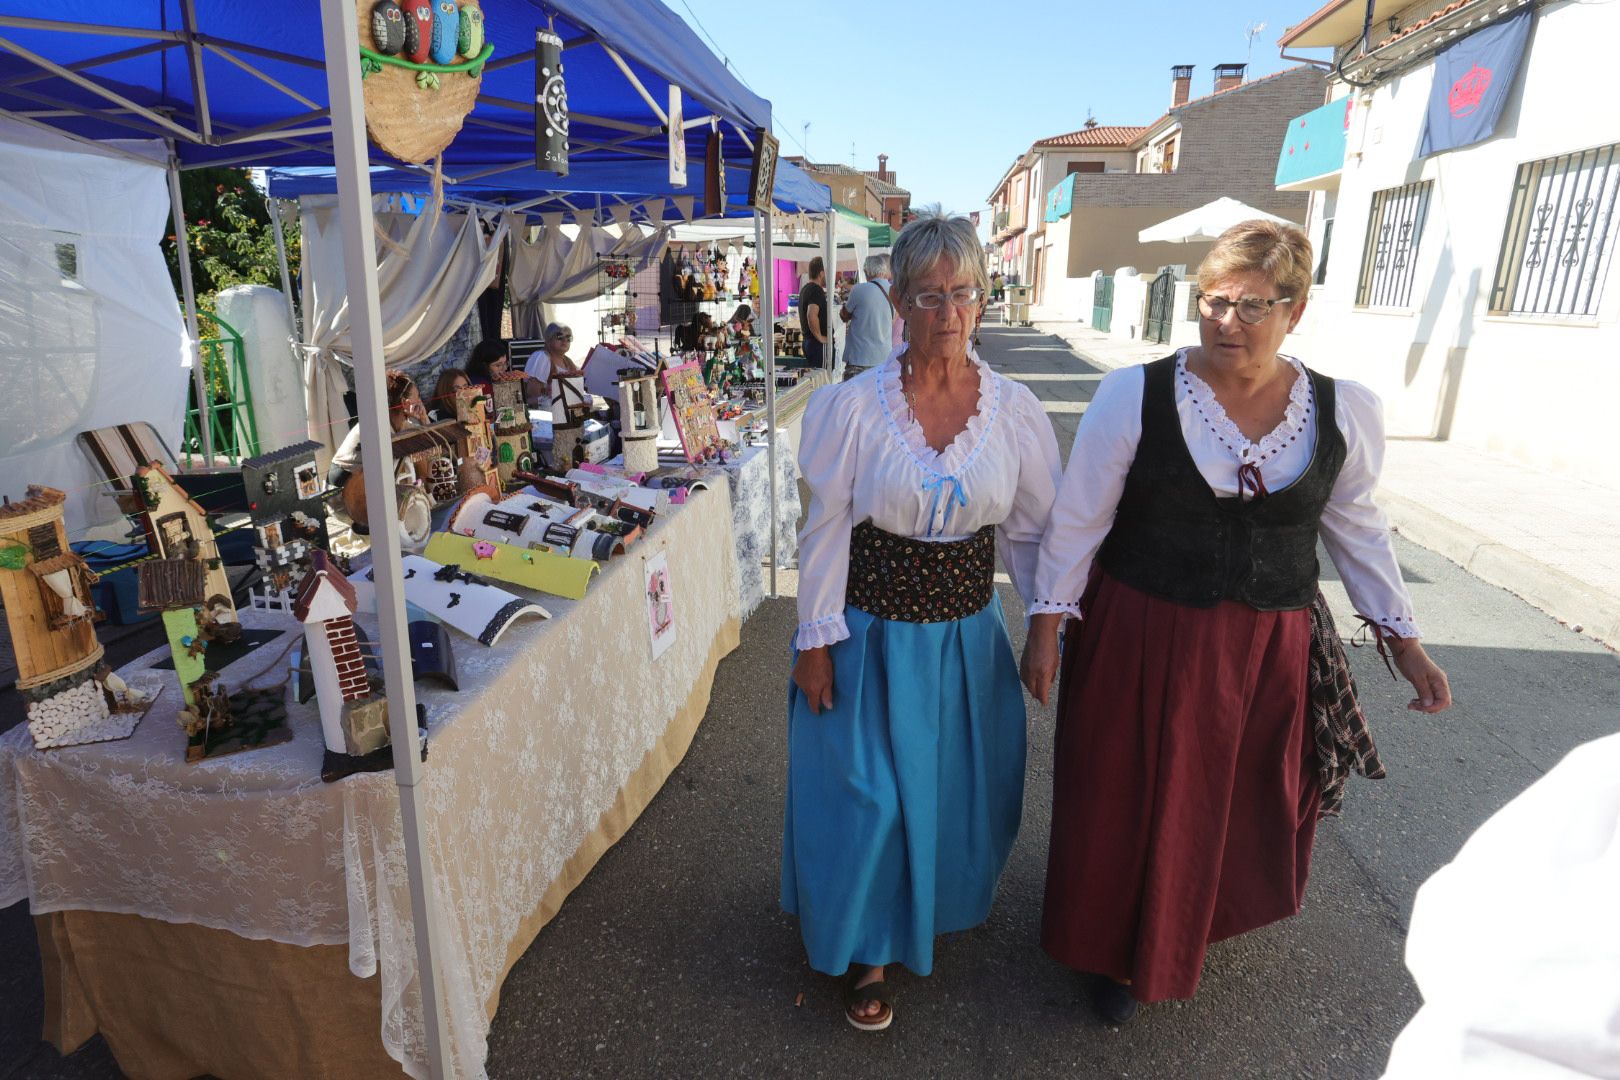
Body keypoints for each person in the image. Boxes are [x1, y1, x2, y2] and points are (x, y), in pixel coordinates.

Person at [1020, 219, 1454, 1026]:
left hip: (1266, 644)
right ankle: (1116, 951)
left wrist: (1407, 643)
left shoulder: (1342, 410)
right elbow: (1080, 519)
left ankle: (1184, 925)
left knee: (1228, 799)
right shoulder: (1135, 395)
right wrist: (1046, 623)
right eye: (1214, 302)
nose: (1228, 321)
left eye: (1253, 306)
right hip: (1141, 627)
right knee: (1124, 792)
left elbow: (1357, 530)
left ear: (1296, 310)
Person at [784, 209, 1061, 1033]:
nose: (949, 312)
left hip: (965, 640)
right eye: (930, 295)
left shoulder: (1014, 412)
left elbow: (1032, 533)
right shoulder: (851, 408)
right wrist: (814, 640)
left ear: (983, 300)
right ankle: (870, 947)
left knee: (947, 792)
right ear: (898, 303)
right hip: (867, 635)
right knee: (869, 796)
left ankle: (919, 913)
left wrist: (1044, 630)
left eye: (964, 293)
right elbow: (825, 529)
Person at [327, 370, 427, 533]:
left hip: (364, 489)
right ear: (405, 403)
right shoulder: (375, 425)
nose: (420, 402)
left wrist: (423, 419)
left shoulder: (400, 425)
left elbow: (426, 441)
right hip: (345, 497)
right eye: (418, 397)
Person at [838, 254, 903, 380]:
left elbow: (844, 316)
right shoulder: (894, 291)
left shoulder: (858, 289)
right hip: (883, 358)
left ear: (866, 271)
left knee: (855, 392)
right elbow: (893, 320)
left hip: (859, 358)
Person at [522, 324, 577, 408]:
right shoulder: (541, 357)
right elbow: (532, 396)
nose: (565, 340)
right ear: (548, 339)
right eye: (559, 337)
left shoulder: (569, 362)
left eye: (568, 338)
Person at [797, 256, 830, 368]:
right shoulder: (816, 290)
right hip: (817, 345)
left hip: (810, 342)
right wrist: (820, 337)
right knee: (824, 375)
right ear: (821, 273)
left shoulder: (805, 289)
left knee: (818, 375)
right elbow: (811, 315)